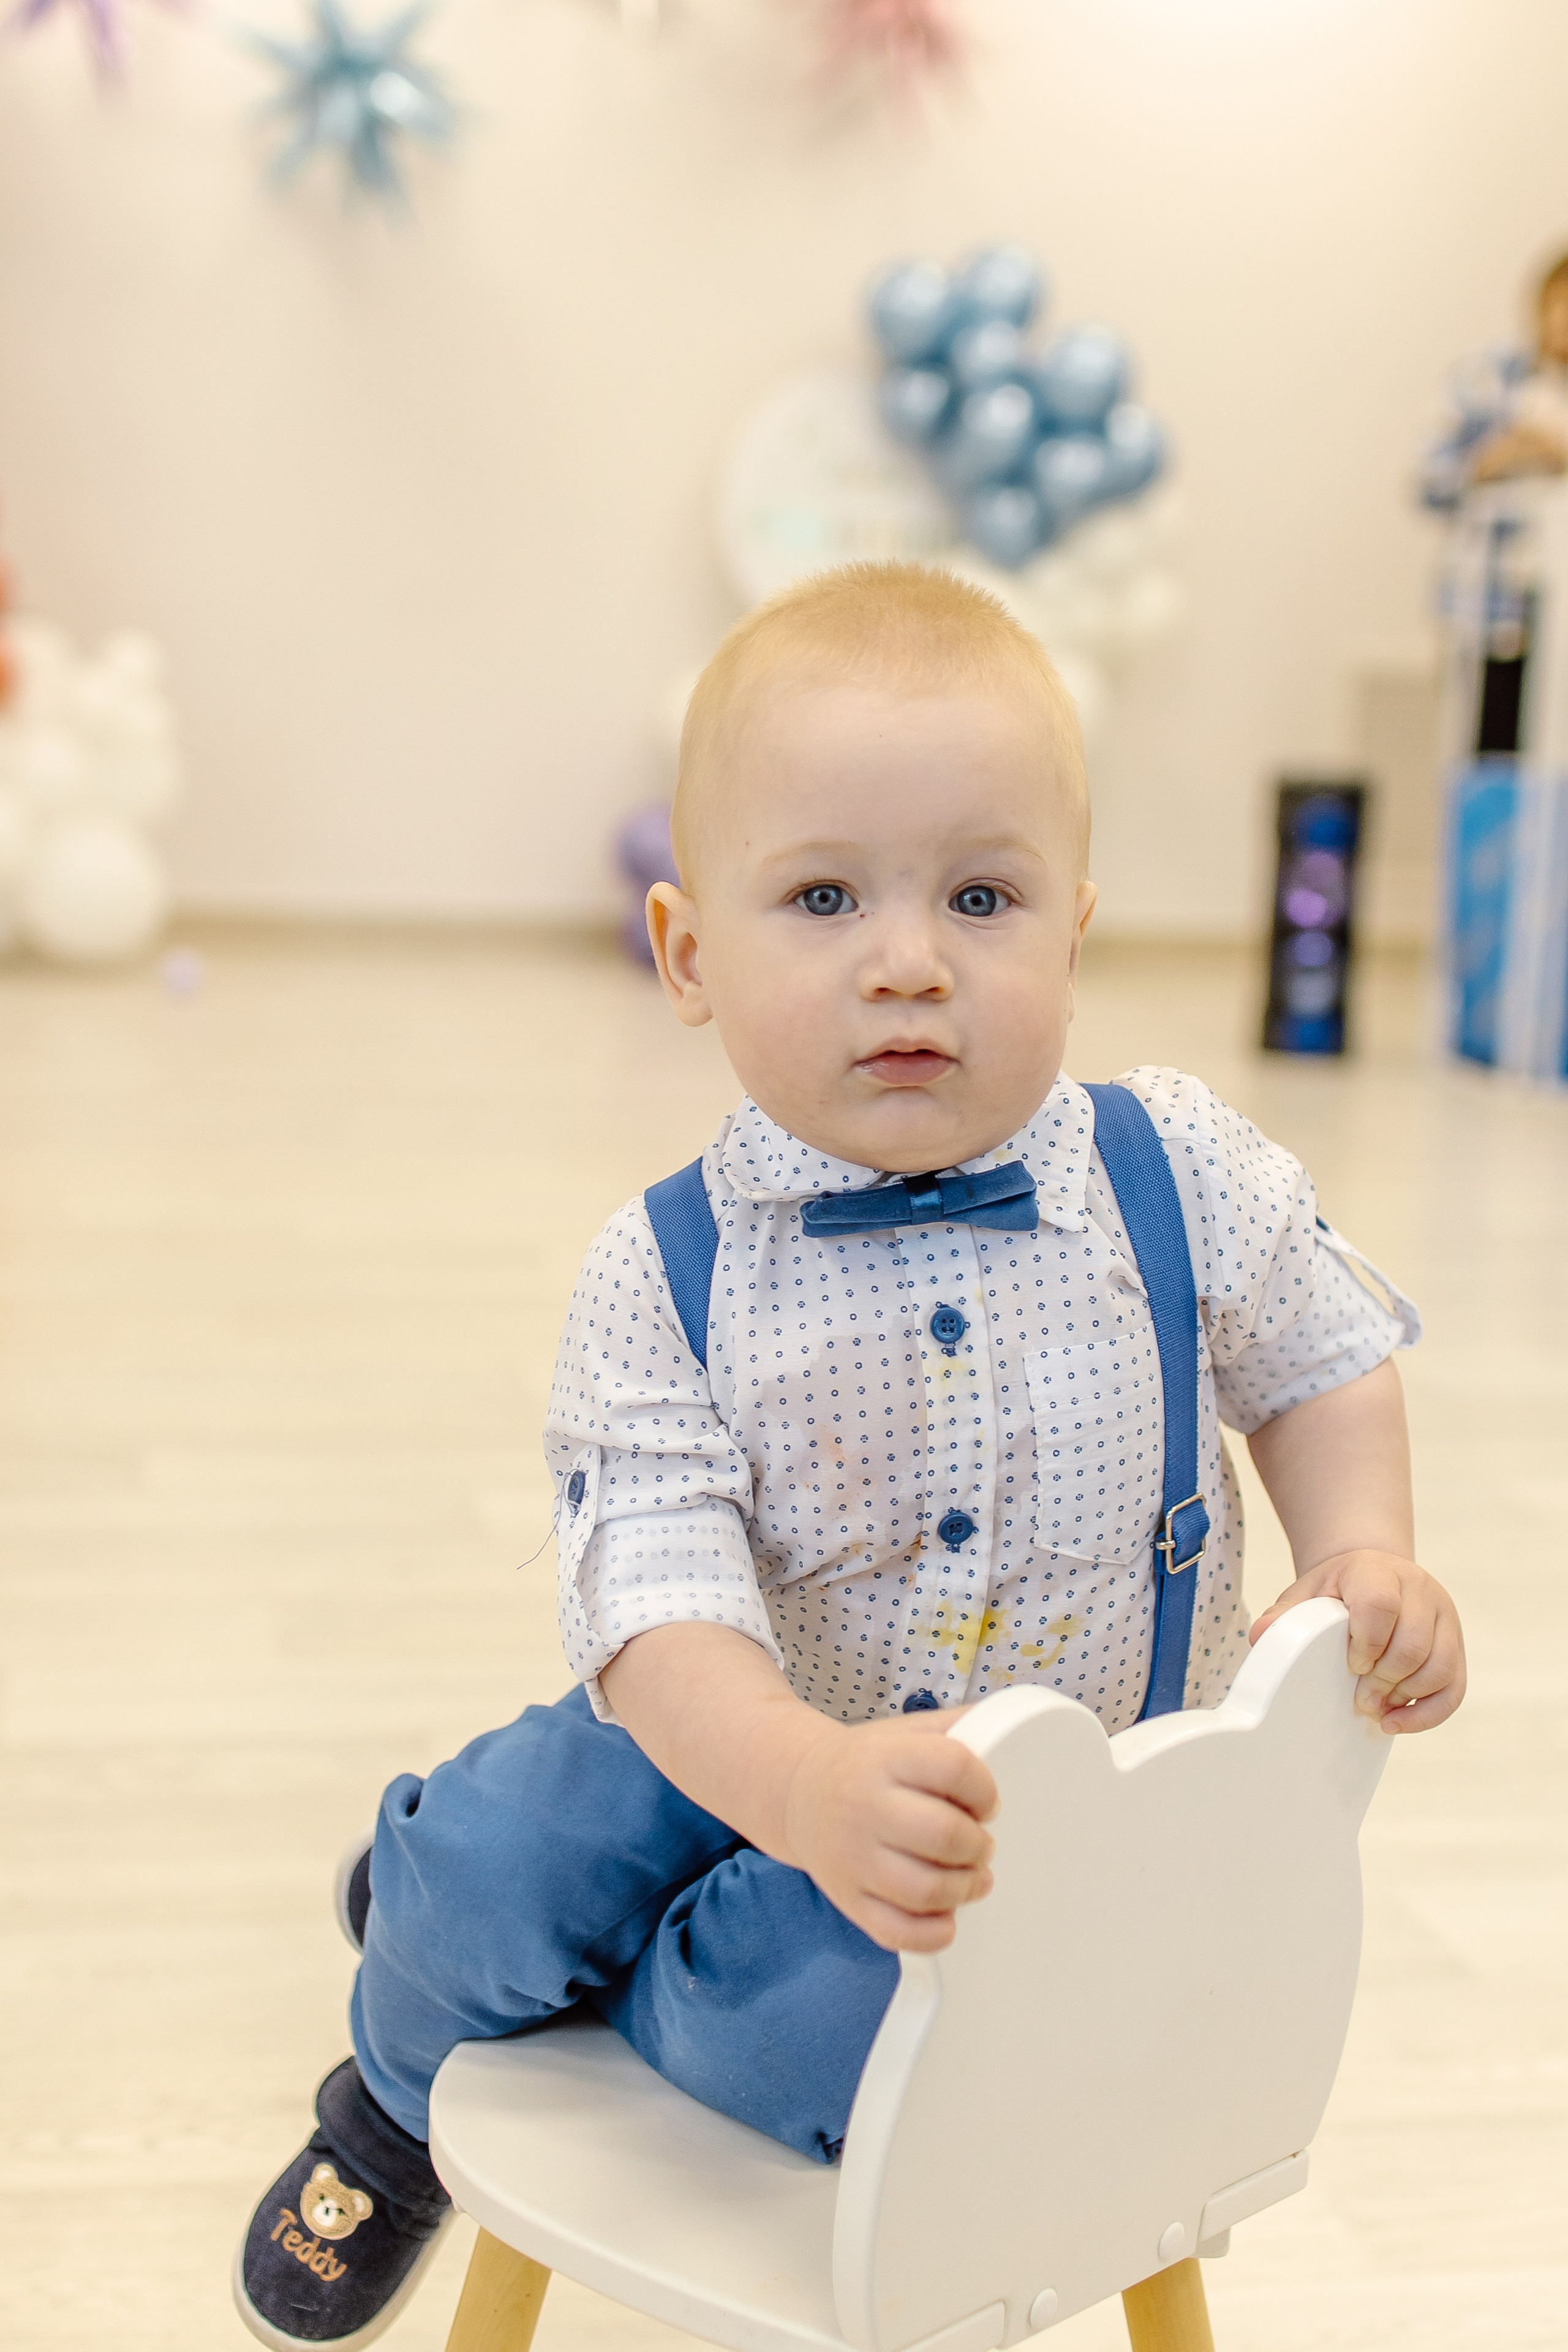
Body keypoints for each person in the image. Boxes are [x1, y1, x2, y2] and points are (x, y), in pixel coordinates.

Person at [235, 562, 1466, 2350]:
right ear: (687, 955)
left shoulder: (1180, 1171)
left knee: (820, 2036)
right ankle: (401, 2074)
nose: (910, 959)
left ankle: (608, 1984)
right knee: (513, 1854)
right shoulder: (665, 1275)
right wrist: (796, 1787)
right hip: (723, 1724)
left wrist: (1367, 1552)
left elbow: (1323, 1356)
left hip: (1015, 1836)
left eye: (983, 895)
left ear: (1074, 928)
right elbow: (661, 1621)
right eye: (822, 897)